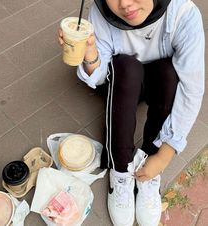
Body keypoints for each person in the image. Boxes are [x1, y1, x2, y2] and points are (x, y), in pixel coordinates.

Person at [59, 0, 205, 225]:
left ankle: (149, 163)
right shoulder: (101, 11)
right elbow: (97, 78)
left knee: (169, 73)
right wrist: (89, 50)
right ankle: (120, 168)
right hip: (122, 82)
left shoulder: (183, 13)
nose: (125, 3)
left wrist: (163, 157)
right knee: (127, 67)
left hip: (160, 84)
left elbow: (192, 89)